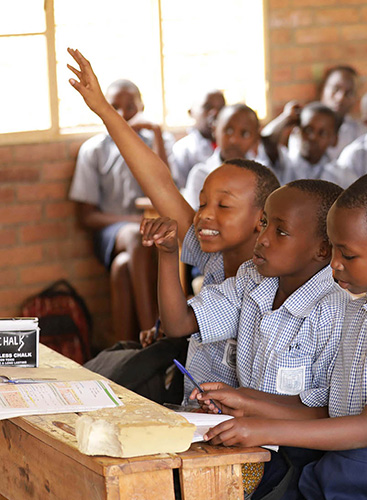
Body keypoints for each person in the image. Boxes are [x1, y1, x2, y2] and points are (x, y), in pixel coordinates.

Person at [193, 171, 367, 499]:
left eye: (348, 255)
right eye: (334, 251)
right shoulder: (361, 307)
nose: (335, 265)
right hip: (337, 466)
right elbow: (331, 409)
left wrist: (260, 427)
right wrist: (246, 400)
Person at [67, 48, 279, 403]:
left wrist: (173, 323)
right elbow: (161, 183)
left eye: (223, 206)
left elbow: (182, 323)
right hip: (191, 409)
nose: (204, 215)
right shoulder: (212, 252)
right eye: (201, 204)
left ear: (261, 221)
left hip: (239, 429)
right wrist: (104, 110)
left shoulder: (267, 280)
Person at [143, 179, 347, 499]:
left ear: (322, 249)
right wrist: (169, 256)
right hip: (243, 438)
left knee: (195, 488)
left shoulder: (336, 311)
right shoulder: (253, 279)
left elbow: (329, 413)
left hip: (295, 456)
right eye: (264, 223)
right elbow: (178, 323)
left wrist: (248, 404)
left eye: (280, 231)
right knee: (153, 469)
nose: (263, 239)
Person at [68, 73, 173, 342]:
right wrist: (133, 221)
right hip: (112, 232)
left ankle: (127, 347)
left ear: (142, 109)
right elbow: (87, 216)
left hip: (149, 233)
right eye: (114, 107)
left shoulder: (158, 143)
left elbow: (167, 190)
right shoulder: (94, 150)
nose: (123, 114)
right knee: (135, 237)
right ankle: (154, 331)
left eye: (131, 107)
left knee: (123, 267)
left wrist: (157, 135)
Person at [263, 101, 339, 181]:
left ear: (334, 140)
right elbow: (266, 139)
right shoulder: (285, 162)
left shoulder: (336, 173)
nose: (313, 137)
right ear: (297, 131)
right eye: (308, 130)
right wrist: (287, 117)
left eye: (322, 133)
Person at [171, 89, 226, 189]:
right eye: (207, 107)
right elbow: (179, 189)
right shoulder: (183, 149)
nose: (215, 113)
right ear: (191, 112)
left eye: (221, 108)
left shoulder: (234, 145)